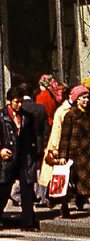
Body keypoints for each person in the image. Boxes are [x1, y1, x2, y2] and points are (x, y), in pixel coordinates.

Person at [0, 87, 37, 231]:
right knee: (4, 189)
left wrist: (33, 152)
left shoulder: (27, 116)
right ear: (9, 101)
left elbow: (32, 135)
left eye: (21, 102)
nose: (19, 105)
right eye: (16, 102)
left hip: (24, 156)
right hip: (7, 158)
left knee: (27, 189)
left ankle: (28, 222)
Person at [57, 85, 90, 219]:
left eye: (87, 98)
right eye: (83, 98)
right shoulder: (70, 115)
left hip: (86, 153)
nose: (86, 100)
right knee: (69, 184)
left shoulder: (88, 114)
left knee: (87, 181)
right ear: (77, 99)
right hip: (74, 154)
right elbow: (65, 137)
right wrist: (62, 156)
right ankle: (64, 206)